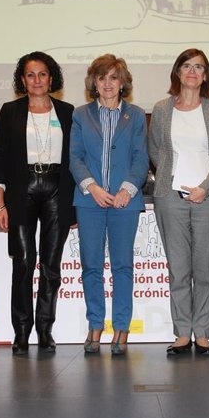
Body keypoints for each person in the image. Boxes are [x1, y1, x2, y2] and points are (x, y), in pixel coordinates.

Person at [0, 51, 76, 355]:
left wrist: (75, 205)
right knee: (24, 261)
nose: (37, 80)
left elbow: (75, 160)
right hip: (21, 189)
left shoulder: (68, 112)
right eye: (30, 74)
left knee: (51, 265)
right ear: (22, 80)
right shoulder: (10, 111)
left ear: (51, 78)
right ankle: (22, 329)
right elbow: (1, 158)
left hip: (57, 189)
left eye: (42, 74)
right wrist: (0, 204)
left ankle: (45, 329)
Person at [148, 48, 209, 356]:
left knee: (205, 269)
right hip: (170, 198)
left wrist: (204, 188)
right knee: (179, 269)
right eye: (186, 66)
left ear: (205, 75)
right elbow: (155, 150)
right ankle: (183, 332)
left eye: (199, 67)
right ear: (177, 72)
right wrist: (170, 178)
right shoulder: (162, 108)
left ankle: (203, 333)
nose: (192, 72)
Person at [69, 54, 148, 355]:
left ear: (123, 82)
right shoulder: (80, 114)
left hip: (125, 202)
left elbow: (141, 157)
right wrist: (92, 187)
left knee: (122, 266)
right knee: (91, 266)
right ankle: (95, 325)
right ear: (94, 82)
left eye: (114, 77)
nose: (107, 83)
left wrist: (127, 189)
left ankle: (122, 327)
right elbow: (74, 157)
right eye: (102, 78)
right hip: (90, 200)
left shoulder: (137, 115)